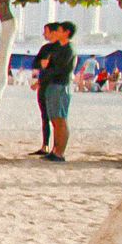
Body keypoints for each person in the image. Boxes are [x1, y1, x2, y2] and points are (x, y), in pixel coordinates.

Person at [40, 21, 76, 162]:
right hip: (53, 85)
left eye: (59, 30)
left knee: (60, 119)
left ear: (66, 32)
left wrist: (47, 68)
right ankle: (55, 150)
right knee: (55, 119)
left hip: (60, 86)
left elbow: (60, 69)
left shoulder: (69, 49)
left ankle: (60, 152)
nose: (56, 32)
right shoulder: (60, 48)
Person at [31, 23, 56, 155]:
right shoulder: (45, 48)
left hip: (54, 86)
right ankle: (45, 145)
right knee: (44, 116)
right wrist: (36, 81)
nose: (43, 34)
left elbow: (54, 68)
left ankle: (56, 148)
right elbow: (36, 64)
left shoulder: (60, 49)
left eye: (45, 32)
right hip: (43, 85)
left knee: (56, 118)